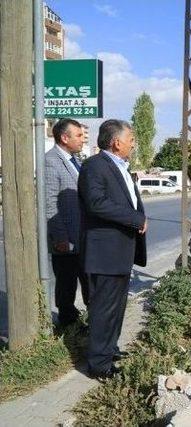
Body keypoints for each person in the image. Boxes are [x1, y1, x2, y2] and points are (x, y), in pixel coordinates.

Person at [78, 119, 148, 380]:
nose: (133, 143)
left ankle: (109, 350)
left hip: (120, 251)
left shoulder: (120, 167)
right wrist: (135, 219)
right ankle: (98, 366)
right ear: (116, 142)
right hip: (104, 253)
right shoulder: (94, 166)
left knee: (116, 308)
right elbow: (97, 203)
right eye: (131, 138)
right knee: (103, 309)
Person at [45, 118, 90, 327]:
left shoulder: (74, 159)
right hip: (66, 241)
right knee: (66, 289)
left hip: (82, 238)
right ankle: (68, 331)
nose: (83, 139)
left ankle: (89, 328)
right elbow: (49, 203)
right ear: (64, 138)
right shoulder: (51, 161)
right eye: (79, 135)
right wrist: (60, 237)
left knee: (89, 284)